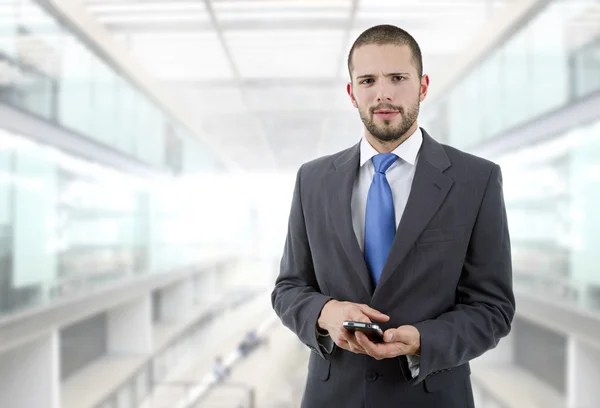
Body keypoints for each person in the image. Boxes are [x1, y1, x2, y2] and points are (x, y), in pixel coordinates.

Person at [271, 24, 515, 408]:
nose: (382, 92)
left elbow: (493, 309)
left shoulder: (476, 179)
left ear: (423, 86)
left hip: (432, 397)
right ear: (352, 93)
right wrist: (325, 312)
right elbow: (287, 289)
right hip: (334, 397)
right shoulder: (312, 180)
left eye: (398, 78)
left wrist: (423, 340)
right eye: (368, 80)